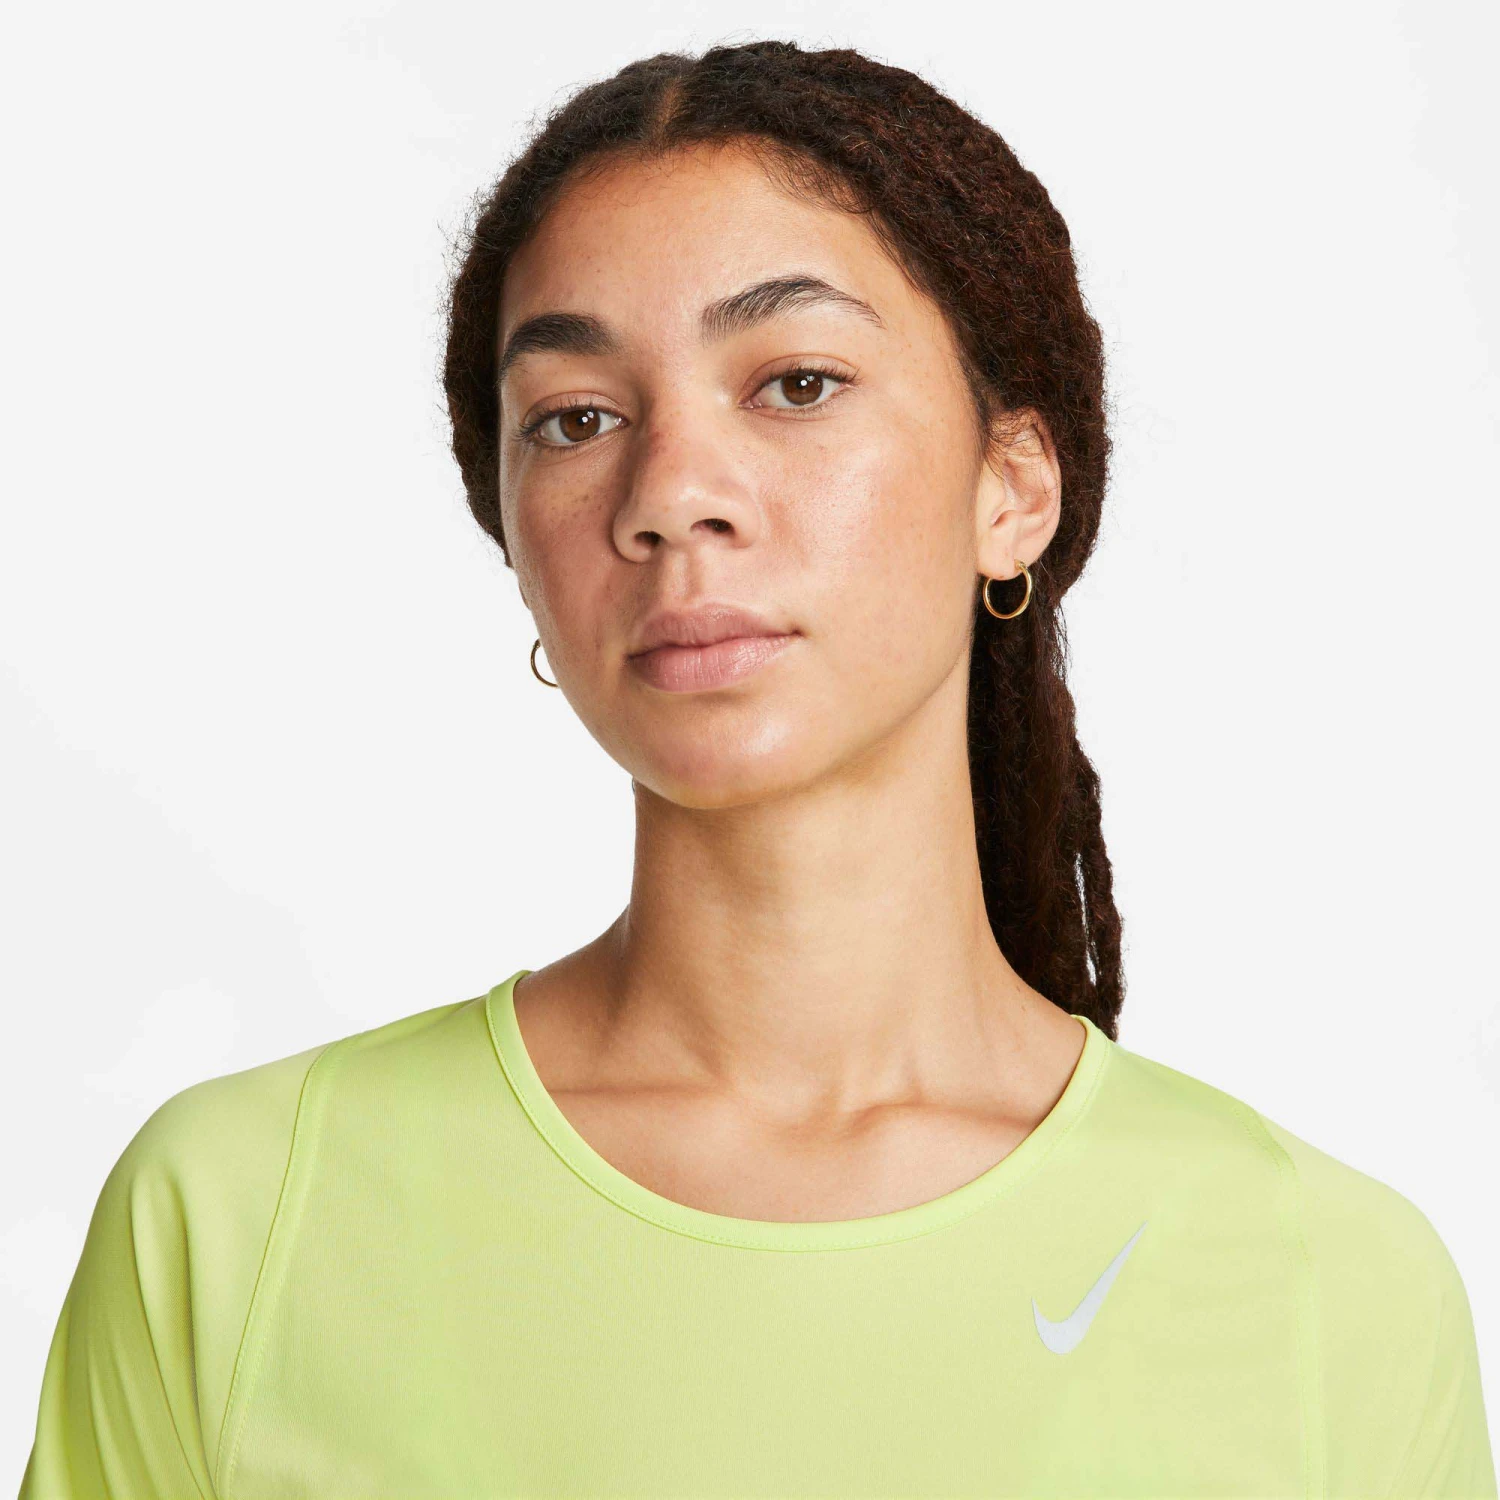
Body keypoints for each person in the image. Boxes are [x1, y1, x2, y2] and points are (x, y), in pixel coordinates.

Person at [19, 38, 1495, 1499]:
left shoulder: (1328, 1290)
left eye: (794, 383)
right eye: (577, 419)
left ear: (1013, 489)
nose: (669, 495)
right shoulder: (237, 1219)